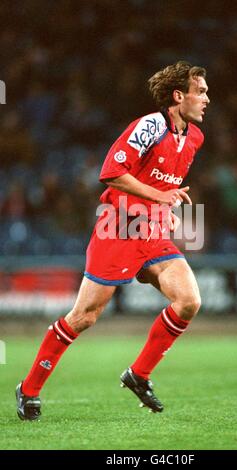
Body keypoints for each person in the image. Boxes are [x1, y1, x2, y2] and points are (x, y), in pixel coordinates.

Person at [16, 61, 210, 420]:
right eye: (200, 91)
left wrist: (163, 204)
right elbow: (111, 173)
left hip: (150, 233)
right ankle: (29, 389)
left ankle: (139, 373)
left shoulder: (195, 138)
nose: (206, 99)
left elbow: (160, 182)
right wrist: (157, 195)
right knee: (85, 316)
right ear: (179, 95)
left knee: (188, 301)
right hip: (118, 228)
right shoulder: (150, 125)